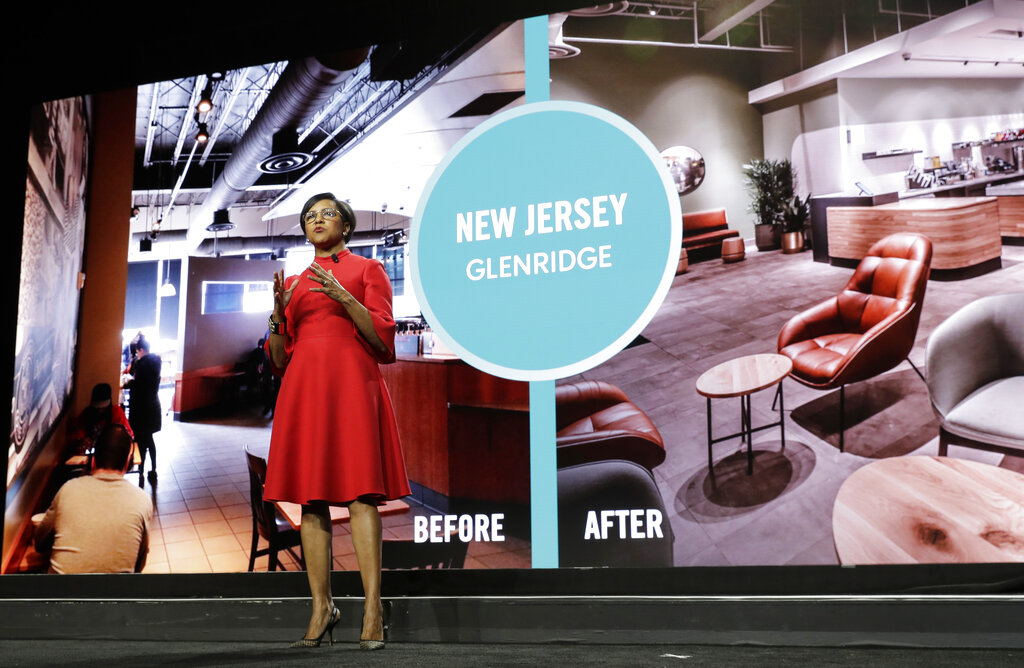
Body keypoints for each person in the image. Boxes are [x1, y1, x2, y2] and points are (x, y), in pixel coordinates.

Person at [265, 192, 409, 650]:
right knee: (311, 500)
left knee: (362, 495)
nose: (317, 219)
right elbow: (278, 361)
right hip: (305, 390)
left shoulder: (369, 270)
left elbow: (384, 342)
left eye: (327, 213)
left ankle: (372, 608)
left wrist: (345, 298)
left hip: (352, 386)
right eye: (310, 215)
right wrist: (276, 317)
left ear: (345, 226)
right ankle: (321, 607)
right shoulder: (296, 282)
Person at [35, 424, 153, 574]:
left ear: (93, 461)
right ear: (127, 463)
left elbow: (40, 542)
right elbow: (139, 563)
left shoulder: (68, 490)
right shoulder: (142, 500)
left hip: (60, 595)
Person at [124, 338, 161, 483]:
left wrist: (129, 381)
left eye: (138, 352)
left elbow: (137, 384)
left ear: (141, 351)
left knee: (140, 440)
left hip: (141, 409)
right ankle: (153, 468)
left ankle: (141, 470)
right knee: (149, 439)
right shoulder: (156, 362)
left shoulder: (141, 364)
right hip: (153, 406)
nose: (137, 354)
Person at [67, 382, 133, 460]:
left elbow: (129, 435)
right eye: (97, 407)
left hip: (111, 456)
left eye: (103, 407)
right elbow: (76, 433)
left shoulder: (116, 413)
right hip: (91, 457)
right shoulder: (87, 414)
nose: (100, 410)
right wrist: (82, 440)